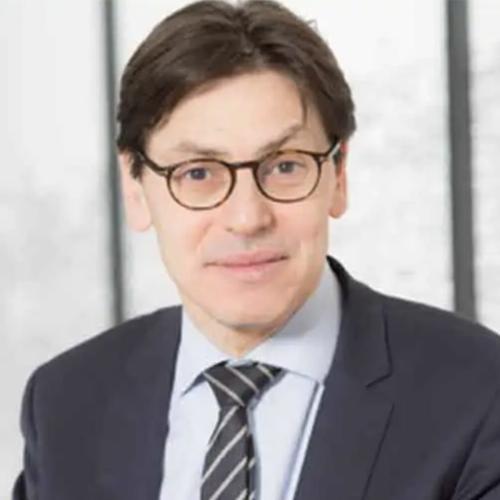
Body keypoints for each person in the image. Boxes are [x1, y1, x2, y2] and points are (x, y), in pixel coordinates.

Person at [13, 1, 500, 499]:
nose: (247, 218)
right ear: (135, 188)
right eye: (197, 173)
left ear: (338, 175)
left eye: (285, 166)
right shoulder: (66, 404)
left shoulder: (479, 394)